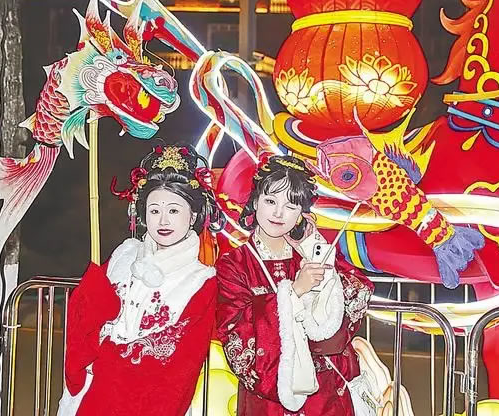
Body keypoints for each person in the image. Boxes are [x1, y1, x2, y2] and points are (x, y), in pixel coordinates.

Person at [57, 144, 223, 416]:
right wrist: (89, 302)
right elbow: (84, 322)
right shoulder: (124, 255)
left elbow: (177, 360)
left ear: (193, 215)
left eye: (174, 211)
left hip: (147, 401)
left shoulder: (201, 281)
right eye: (154, 210)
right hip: (91, 390)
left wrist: (106, 359)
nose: (163, 220)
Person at [215, 155, 375, 415]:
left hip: (326, 391)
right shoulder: (234, 264)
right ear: (255, 201)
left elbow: (357, 294)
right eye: (270, 201)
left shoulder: (312, 252)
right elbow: (235, 331)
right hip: (271, 400)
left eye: (291, 205)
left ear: (302, 212)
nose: (278, 213)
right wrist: (294, 292)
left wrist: (312, 247)